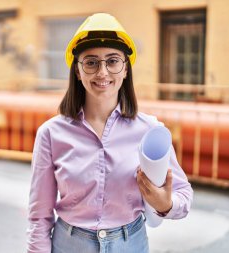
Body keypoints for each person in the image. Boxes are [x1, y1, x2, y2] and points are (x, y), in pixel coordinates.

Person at [27, 13, 193, 253]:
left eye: (113, 61)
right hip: (69, 245)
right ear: (77, 71)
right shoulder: (51, 134)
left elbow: (183, 195)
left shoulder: (150, 131)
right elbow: (39, 217)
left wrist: (166, 204)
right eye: (91, 62)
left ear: (125, 69)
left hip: (131, 244)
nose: (102, 72)